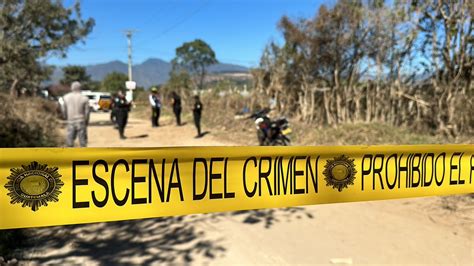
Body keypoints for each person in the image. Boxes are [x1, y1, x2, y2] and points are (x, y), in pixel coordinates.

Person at [62, 81, 90, 147]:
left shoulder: (66, 97)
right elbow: (87, 112)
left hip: (71, 120)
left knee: (70, 142)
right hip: (81, 120)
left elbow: (64, 110)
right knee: (83, 142)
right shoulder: (85, 98)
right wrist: (86, 121)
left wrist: (66, 117)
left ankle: (70, 155)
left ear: (72, 88)